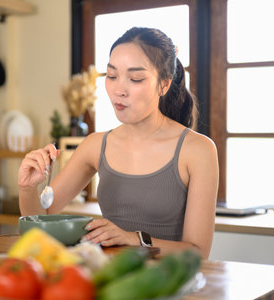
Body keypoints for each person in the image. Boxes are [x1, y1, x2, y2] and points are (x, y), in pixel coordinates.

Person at [18, 27, 219, 258]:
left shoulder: (197, 150)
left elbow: (198, 252)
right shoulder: (96, 145)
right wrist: (27, 188)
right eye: (112, 76)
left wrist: (134, 239)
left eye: (135, 78)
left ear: (164, 85)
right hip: (109, 281)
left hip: (169, 287)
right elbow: (42, 220)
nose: (119, 90)